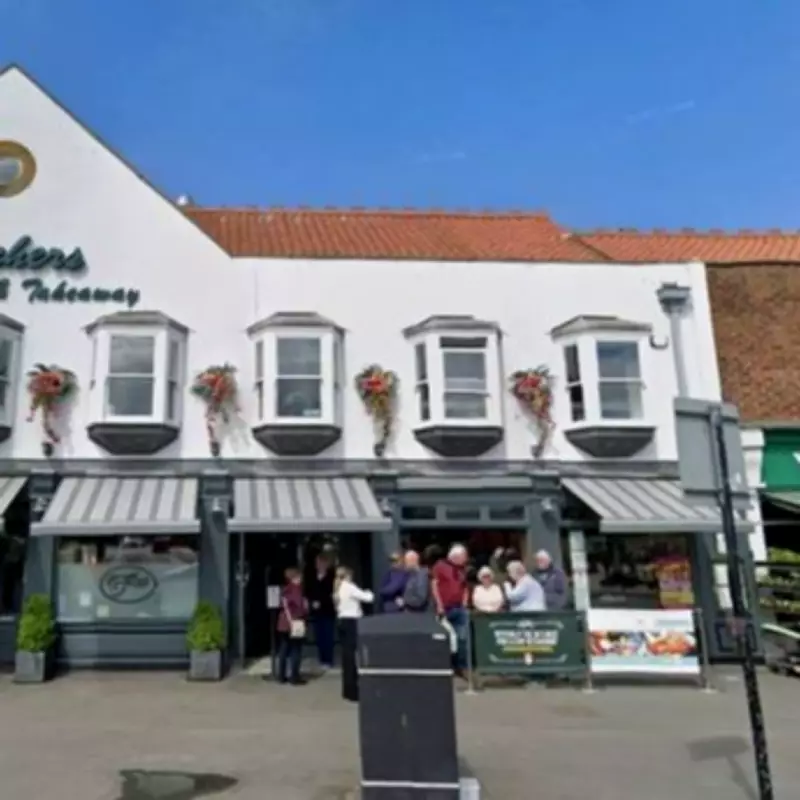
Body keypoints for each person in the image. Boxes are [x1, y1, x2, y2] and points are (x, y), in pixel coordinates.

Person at [334, 566, 374, 702]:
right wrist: (369, 591)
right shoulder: (349, 587)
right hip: (352, 621)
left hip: (342, 620)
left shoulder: (338, 588)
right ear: (347, 576)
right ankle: (352, 690)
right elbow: (368, 598)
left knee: (346, 656)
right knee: (351, 657)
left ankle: (347, 689)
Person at [431, 543, 470, 674]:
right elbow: (434, 585)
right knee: (445, 638)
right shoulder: (440, 566)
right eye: (464, 556)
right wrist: (439, 605)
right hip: (445, 608)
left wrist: (464, 602)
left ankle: (462, 666)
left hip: (459, 608)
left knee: (462, 638)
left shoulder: (462, 569)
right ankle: (446, 665)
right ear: (456, 556)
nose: (466, 559)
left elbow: (465, 586)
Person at [275, 568, 308, 685]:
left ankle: (281, 676)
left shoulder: (285, 589)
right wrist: (305, 608)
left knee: (283, 649)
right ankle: (294, 677)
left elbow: (283, 605)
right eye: (300, 576)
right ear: (296, 577)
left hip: (283, 623)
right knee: (296, 649)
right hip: (295, 622)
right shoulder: (297, 590)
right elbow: (299, 607)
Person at [306, 553, 336, 670]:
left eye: (320, 563)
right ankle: (322, 658)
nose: (318, 565)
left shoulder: (331, 577)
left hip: (328, 610)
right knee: (319, 636)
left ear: (325, 564)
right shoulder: (312, 576)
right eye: (317, 563)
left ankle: (328, 660)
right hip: (317, 611)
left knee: (328, 636)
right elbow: (309, 591)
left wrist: (322, 602)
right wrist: (311, 602)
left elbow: (332, 593)